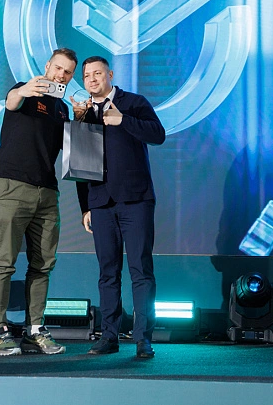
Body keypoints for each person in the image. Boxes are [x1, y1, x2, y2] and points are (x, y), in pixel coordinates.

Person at [72, 56, 165, 359]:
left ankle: (143, 338)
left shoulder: (134, 103)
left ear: (109, 74)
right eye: (87, 76)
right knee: (107, 273)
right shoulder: (83, 114)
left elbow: (158, 134)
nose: (92, 79)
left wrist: (123, 120)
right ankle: (108, 336)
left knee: (141, 270)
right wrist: (85, 206)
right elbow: (80, 165)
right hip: (100, 203)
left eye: (97, 73)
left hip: (136, 200)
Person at [0, 47, 77, 356]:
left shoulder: (62, 109)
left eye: (67, 72)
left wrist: (81, 122)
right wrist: (24, 90)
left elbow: (71, 151)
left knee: (43, 265)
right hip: (12, 187)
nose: (61, 75)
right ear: (47, 66)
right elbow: (12, 101)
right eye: (58, 68)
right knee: (4, 262)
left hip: (47, 193)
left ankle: (35, 330)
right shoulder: (24, 90)